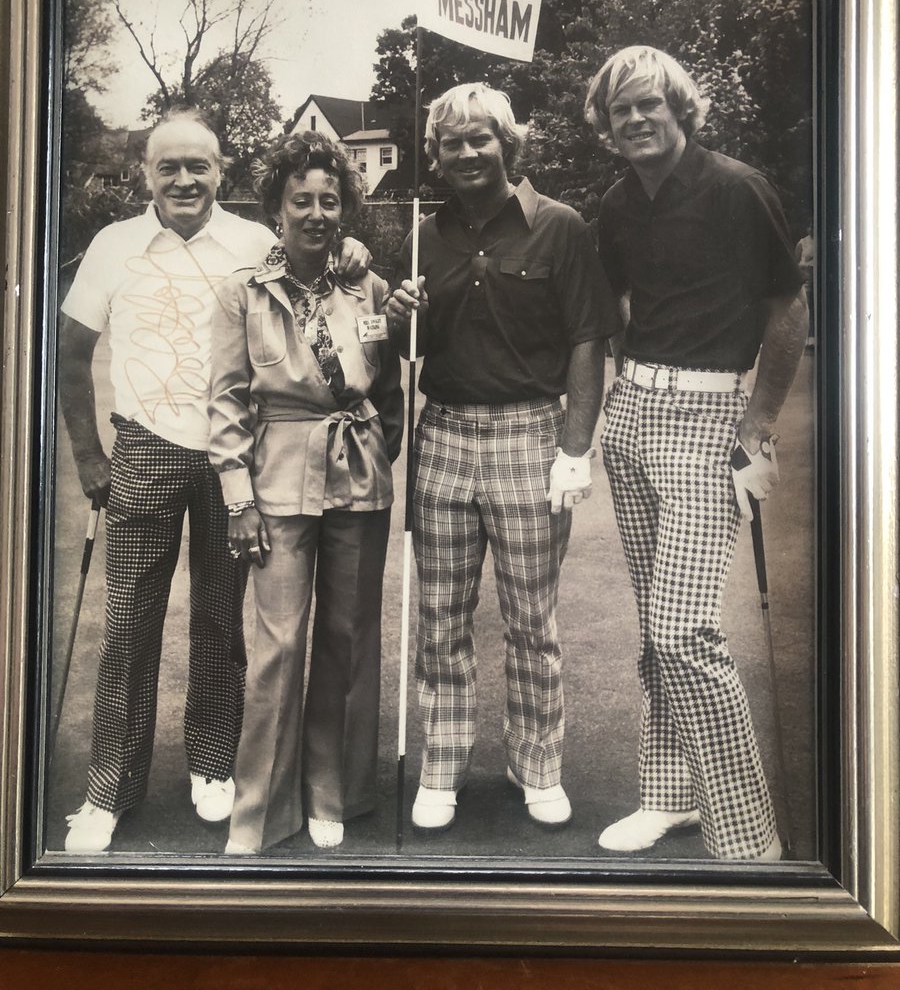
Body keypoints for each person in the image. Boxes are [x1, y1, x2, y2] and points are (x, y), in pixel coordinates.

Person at [59, 109, 369, 855]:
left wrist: (353, 250)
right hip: (145, 447)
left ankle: (211, 764)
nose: (184, 179)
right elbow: (72, 356)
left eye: (199, 165)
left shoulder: (256, 242)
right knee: (129, 621)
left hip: (239, 459)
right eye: (168, 166)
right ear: (147, 174)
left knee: (223, 621)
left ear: (222, 171)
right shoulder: (113, 244)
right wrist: (89, 456)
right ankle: (109, 786)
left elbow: (321, 272)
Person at [584, 46, 809, 861]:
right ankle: (668, 794)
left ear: (682, 108)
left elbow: (787, 311)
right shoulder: (616, 203)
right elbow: (612, 303)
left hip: (712, 419)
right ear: (606, 127)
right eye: (622, 111)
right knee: (656, 627)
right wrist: (620, 391)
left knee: (685, 633)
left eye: (651, 105)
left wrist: (757, 428)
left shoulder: (739, 188)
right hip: (633, 413)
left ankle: (747, 835)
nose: (637, 120)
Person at [387, 83, 619, 832]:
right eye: (450, 142)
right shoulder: (424, 235)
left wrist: (574, 449)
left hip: (529, 433)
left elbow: (589, 338)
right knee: (441, 616)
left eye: (479, 138)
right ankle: (443, 764)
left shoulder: (559, 227)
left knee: (531, 618)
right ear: (437, 156)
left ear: (507, 145)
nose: (465, 153)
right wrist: (394, 320)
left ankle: (537, 763)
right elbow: (402, 348)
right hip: (444, 432)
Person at [208, 132, 403, 855]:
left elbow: (387, 388)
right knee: (278, 647)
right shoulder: (243, 292)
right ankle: (258, 810)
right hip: (277, 480)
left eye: (330, 200)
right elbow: (227, 401)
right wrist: (239, 498)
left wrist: (379, 454)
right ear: (276, 210)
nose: (317, 213)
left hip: (359, 477)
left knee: (346, 641)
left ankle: (333, 791)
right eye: (302, 201)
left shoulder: (369, 287)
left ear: (345, 207)